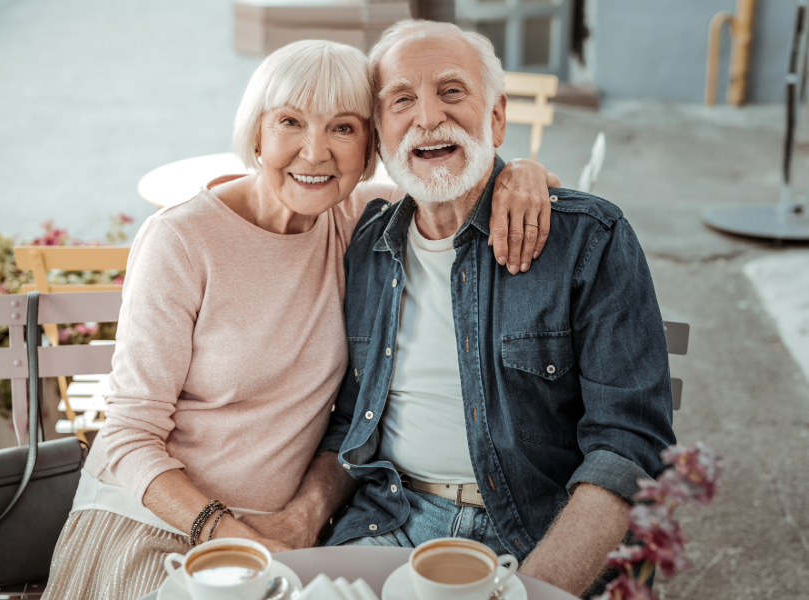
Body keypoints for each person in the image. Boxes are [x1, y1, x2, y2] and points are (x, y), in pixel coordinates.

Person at [40, 38, 559, 600]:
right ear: (256, 132)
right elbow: (126, 436)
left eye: (343, 128)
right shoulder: (181, 240)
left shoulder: (358, 221)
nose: (315, 154)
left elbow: (458, 176)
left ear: (370, 149)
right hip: (155, 523)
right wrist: (231, 538)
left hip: (288, 533)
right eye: (291, 121)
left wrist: (523, 174)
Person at [252, 21, 677, 598]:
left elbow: (628, 446)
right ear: (380, 137)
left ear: (497, 118)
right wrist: (301, 517)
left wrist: (536, 588)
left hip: (540, 528)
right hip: (392, 519)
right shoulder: (367, 242)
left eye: (451, 92)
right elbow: (354, 419)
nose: (427, 117)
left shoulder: (587, 239)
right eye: (402, 99)